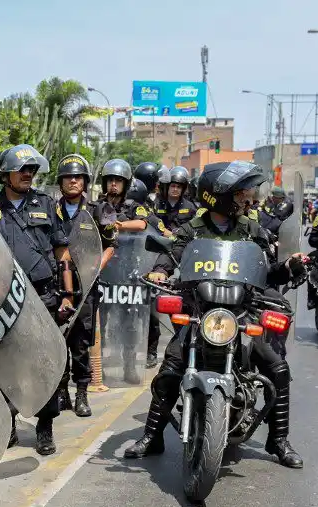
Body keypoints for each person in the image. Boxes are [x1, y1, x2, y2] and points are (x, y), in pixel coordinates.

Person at [125, 161, 305, 468]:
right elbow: (170, 257)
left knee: (277, 369)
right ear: (218, 196)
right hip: (201, 310)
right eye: (241, 194)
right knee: (171, 366)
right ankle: (152, 435)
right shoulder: (191, 230)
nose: (249, 200)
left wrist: (289, 267)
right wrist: (158, 272)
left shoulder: (252, 229)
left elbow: (269, 271)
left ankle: (279, 440)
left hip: (242, 310)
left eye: (248, 193)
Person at [0, 144, 72, 456]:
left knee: (44, 363)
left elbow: (61, 250)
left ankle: (45, 426)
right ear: (5, 174)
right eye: (22, 169)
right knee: (3, 362)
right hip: (3, 297)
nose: (28, 174)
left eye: (32, 170)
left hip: (44, 294)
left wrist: (67, 294)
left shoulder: (45, 203)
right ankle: (8, 422)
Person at [54, 153, 117, 417]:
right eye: (68, 176)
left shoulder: (98, 211)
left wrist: (94, 270)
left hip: (85, 286)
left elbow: (111, 246)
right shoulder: (50, 209)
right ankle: (62, 394)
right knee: (57, 342)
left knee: (81, 342)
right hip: (54, 285)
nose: (73, 181)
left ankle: (81, 394)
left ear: (86, 181)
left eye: (78, 176)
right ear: (60, 182)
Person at [96, 158, 149, 384]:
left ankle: (129, 367)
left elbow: (142, 224)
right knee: (102, 322)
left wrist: (117, 225)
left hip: (128, 274)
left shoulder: (133, 206)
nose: (114, 185)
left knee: (129, 323)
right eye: (110, 180)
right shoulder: (97, 204)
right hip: (105, 272)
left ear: (125, 184)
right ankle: (101, 368)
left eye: (118, 181)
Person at [127, 177, 169, 368]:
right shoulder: (110, 209)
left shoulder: (145, 213)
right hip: (123, 269)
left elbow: (165, 233)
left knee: (150, 312)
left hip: (146, 268)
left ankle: (151, 351)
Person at [155, 166, 197, 232]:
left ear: (182, 189)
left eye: (179, 187)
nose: (175, 189)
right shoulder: (157, 205)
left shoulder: (190, 207)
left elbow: (195, 227)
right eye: (173, 186)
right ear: (167, 187)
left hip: (183, 240)